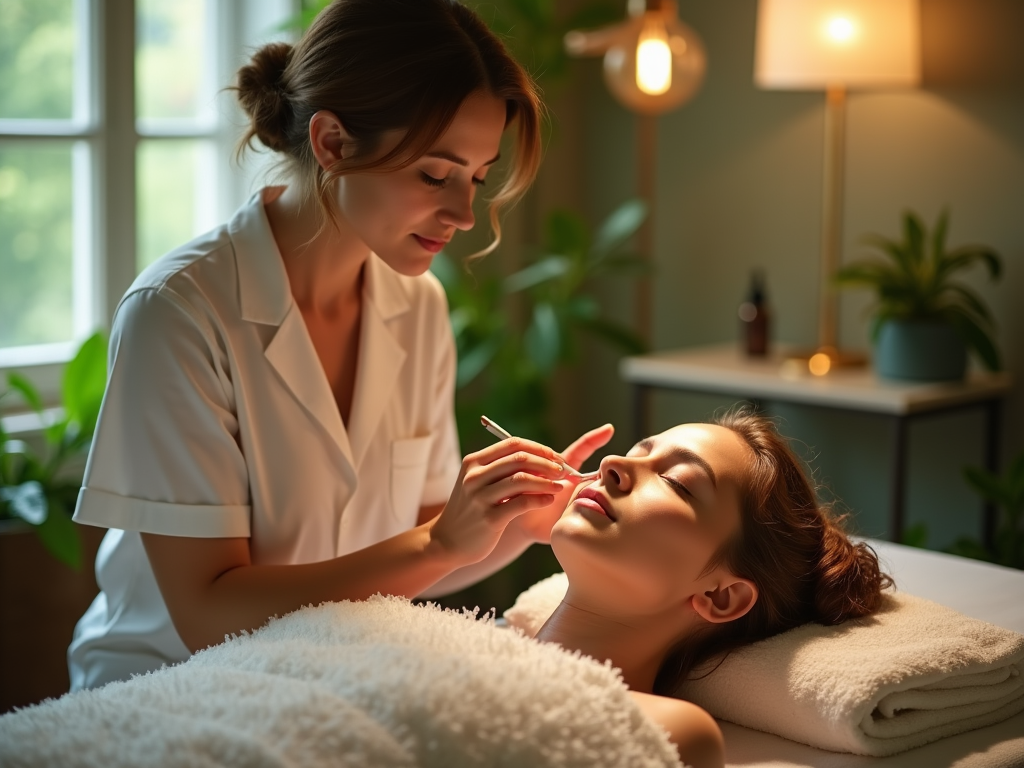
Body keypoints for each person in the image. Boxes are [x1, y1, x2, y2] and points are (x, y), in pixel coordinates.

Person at [68, 0, 612, 691]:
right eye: (433, 174)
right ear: (332, 143)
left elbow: (409, 559)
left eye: (475, 177)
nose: (463, 214)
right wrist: (440, 540)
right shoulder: (177, 313)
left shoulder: (417, 304)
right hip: (168, 687)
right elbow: (208, 612)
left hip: (327, 678)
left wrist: (514, 525)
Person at [537, 408, 892, 768]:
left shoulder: (660, 733)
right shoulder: (483, 639)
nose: (611, 463)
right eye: (634, 454)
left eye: (677, 482)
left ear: (720, 596)